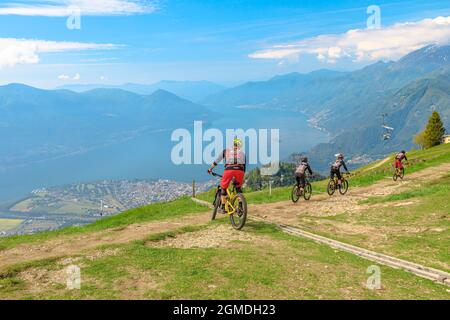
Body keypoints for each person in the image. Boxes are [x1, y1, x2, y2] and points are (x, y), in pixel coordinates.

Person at [208, 137, 246, 211]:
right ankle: (241, 206)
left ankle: (222, 206)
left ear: (233, 144)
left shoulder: (226, 151)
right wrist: (241, 177)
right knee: (238, 188)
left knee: (223, 187)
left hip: (229, 170)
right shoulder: (242, 153)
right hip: (240, 171)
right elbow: (244, 167)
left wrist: (210, 169)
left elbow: (216, 161)